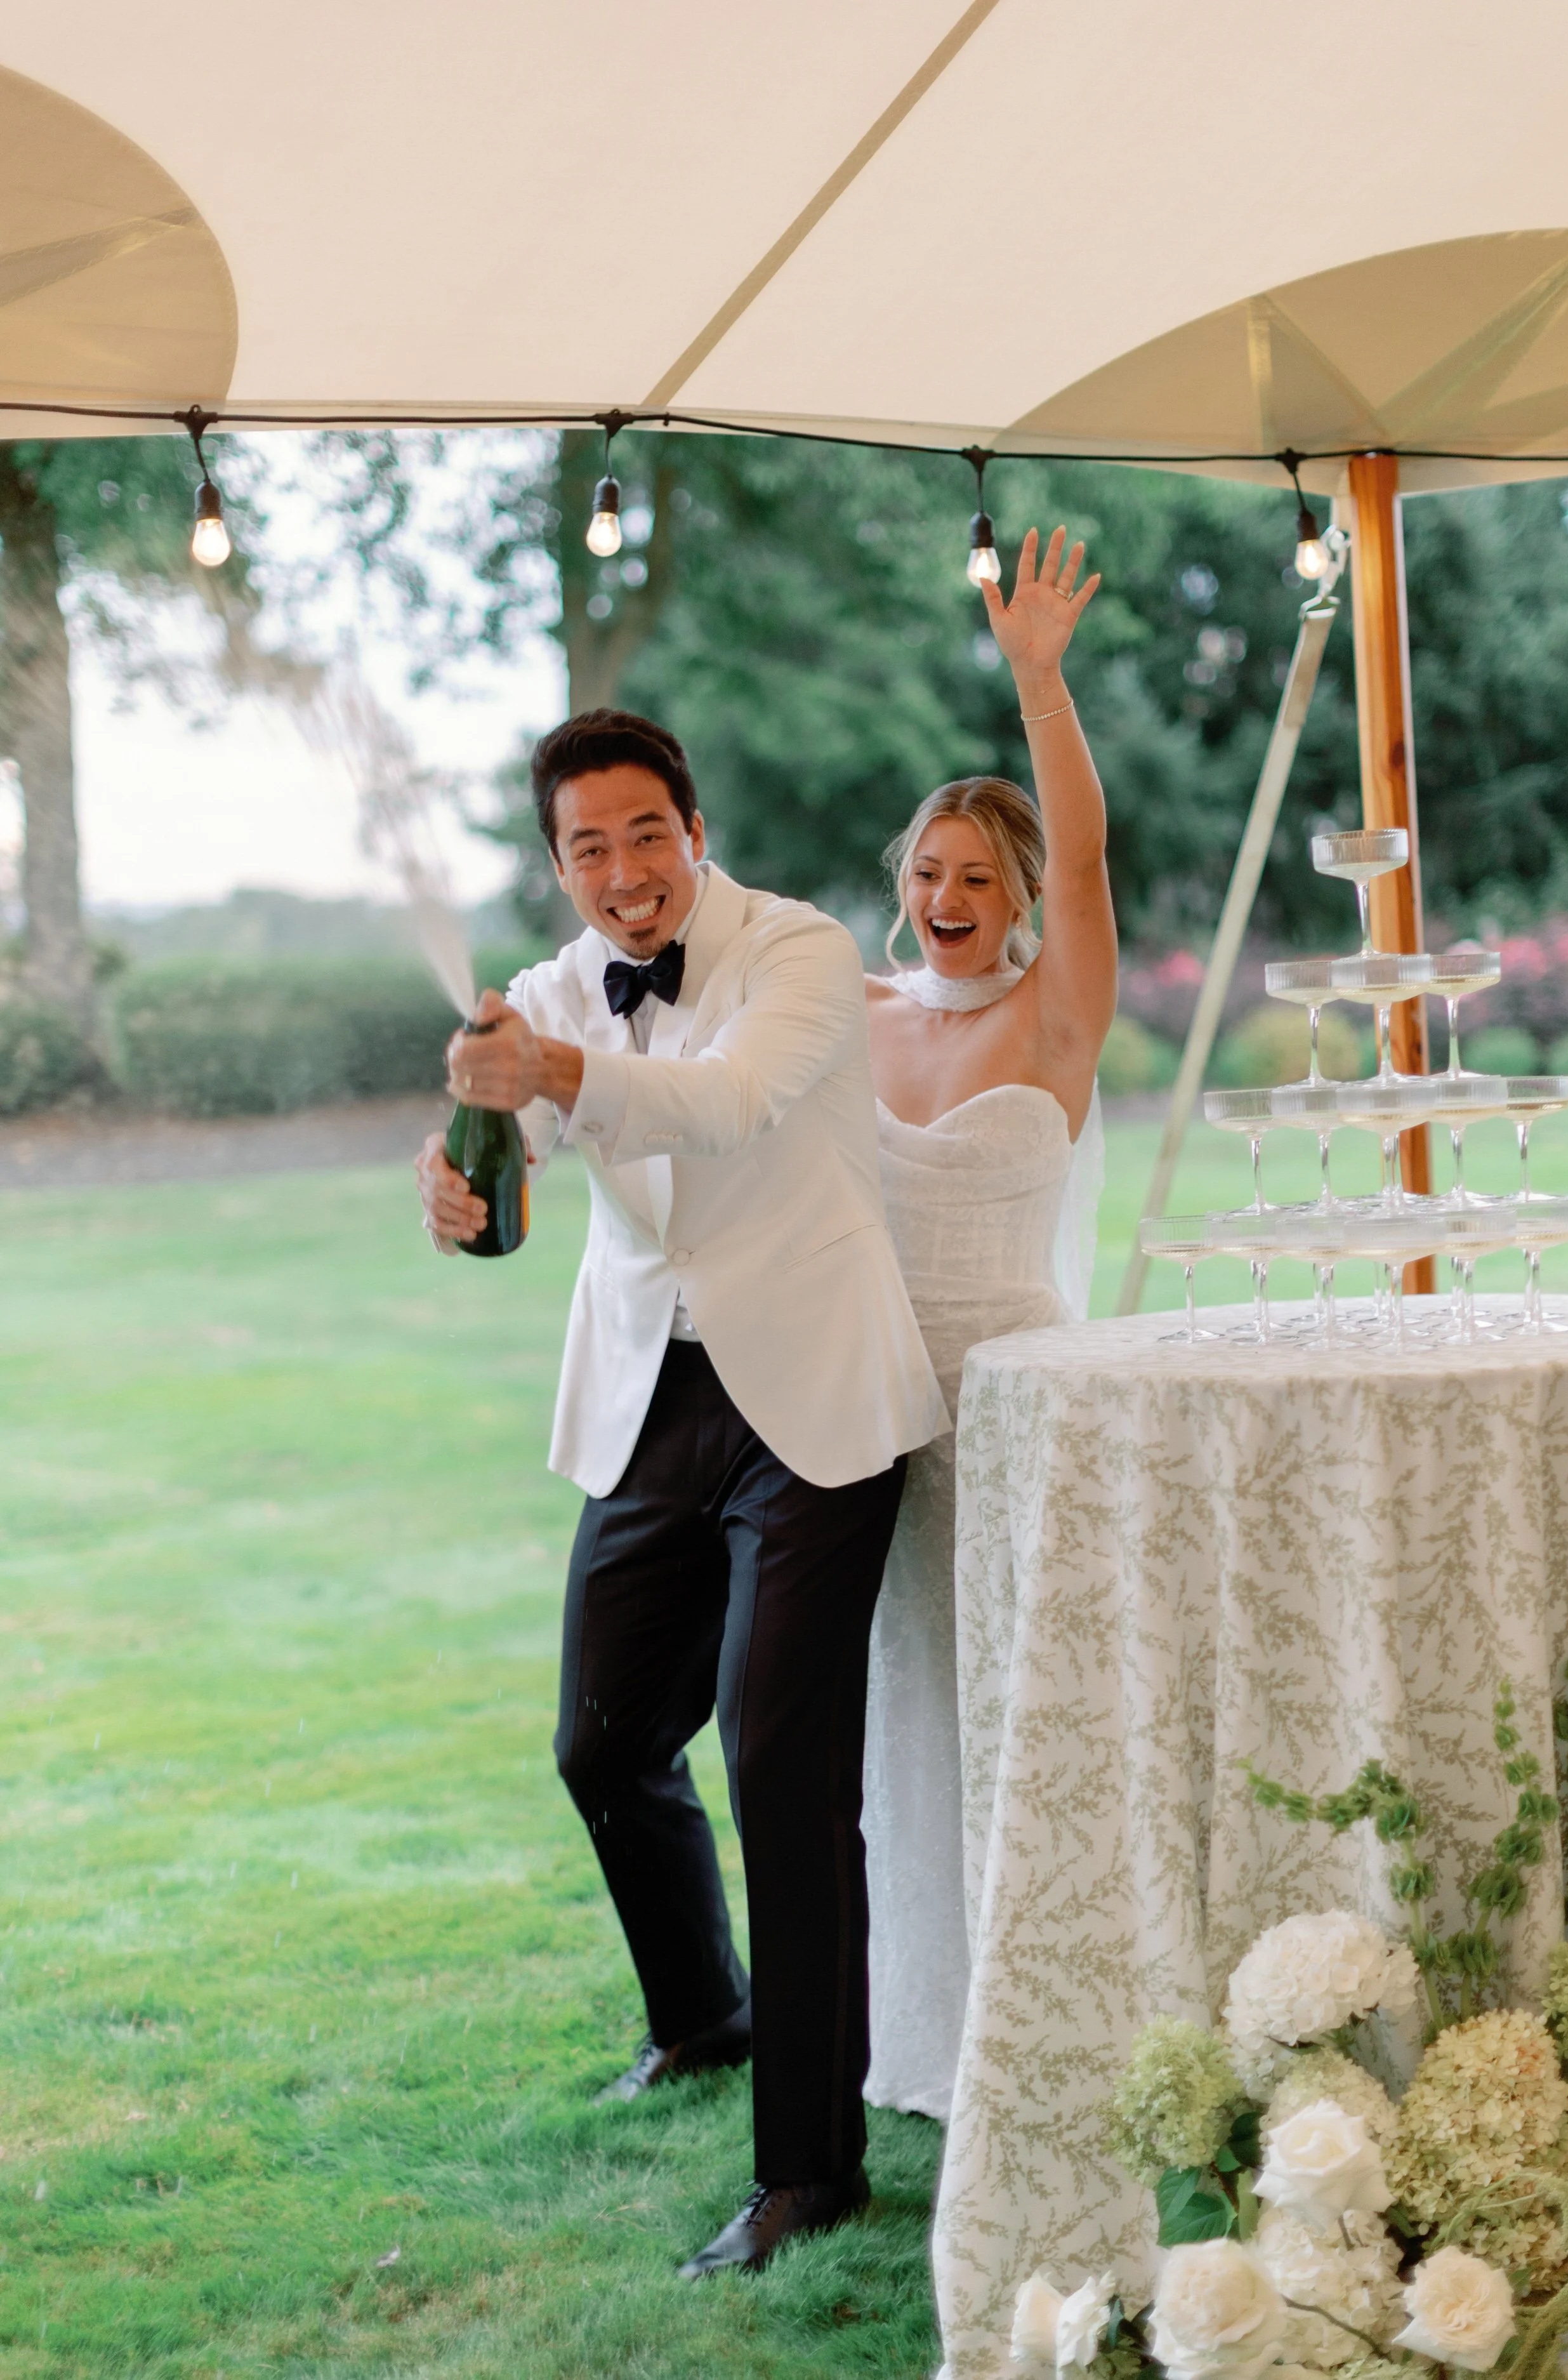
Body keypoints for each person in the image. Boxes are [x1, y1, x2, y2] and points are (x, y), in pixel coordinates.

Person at [414, 710, 947, 2278]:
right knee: (602, 1742)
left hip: (816, 1399)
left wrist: (556, 1071)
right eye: (588, 846)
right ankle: (703, 2013)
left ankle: (810, 2170)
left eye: (647, 833)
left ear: (694, 831)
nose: (624, 870)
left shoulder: (799, 951)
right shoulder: (545, 992)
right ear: (559, 865)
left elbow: (726, 1102)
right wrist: (453, 1180)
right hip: (654, 1396)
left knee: (783, 1770)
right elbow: (509, 1140)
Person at [861, 526, 1116, 2121]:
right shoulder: (853, 1013)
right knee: (910, 1715)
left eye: (975, 876)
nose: (945, 897)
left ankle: (1064, 2018)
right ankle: (926, 2034)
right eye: (926, 873)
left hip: (1019, 1412)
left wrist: (1038, 683)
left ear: (1016, 894)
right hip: (875, 1414)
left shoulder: (1055, 1012)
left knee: (1030, 1711)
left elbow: (1089, 863)